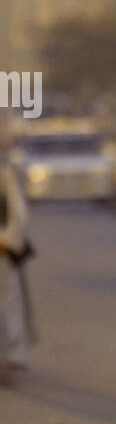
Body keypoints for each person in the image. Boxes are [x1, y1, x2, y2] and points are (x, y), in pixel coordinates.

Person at [0, 154, 32, 384]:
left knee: (7, 305)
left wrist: (8, 241)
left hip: (2, 252)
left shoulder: (5, 176)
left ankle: (9, 361)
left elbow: (18, 213)